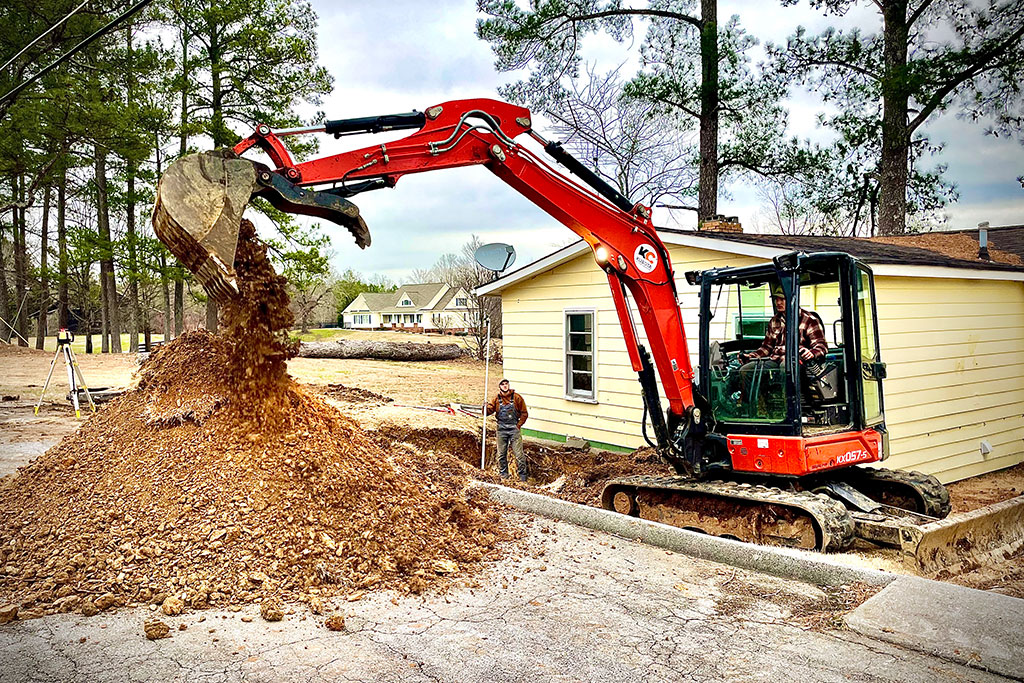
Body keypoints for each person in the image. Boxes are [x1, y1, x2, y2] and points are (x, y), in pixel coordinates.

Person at [736, 282, 827, 403]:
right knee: (746, 370)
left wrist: (811, 353)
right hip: (775, 360)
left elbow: (821, 346)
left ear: (792, 299)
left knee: (786, 366)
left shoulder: (809, 320)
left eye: (782, 299)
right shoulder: (774, 321)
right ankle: (757, 406)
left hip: (798, 362)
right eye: (776, 299)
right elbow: (767, 347)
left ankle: (788, 407)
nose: (778, 303)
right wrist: (751, 356)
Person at [485, 378, 529, 481]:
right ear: (499, 387)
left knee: (519, 455)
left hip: (514, 429)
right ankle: (504, 476)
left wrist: (518, 425)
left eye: (506, 384)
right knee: (501, 455)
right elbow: (488, 412)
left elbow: (524, 413)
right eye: (502, 384)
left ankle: (523, 477)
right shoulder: (496, 399)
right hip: (501, 430)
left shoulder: (517, 398)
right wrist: (485, 407)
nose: (505, 386)